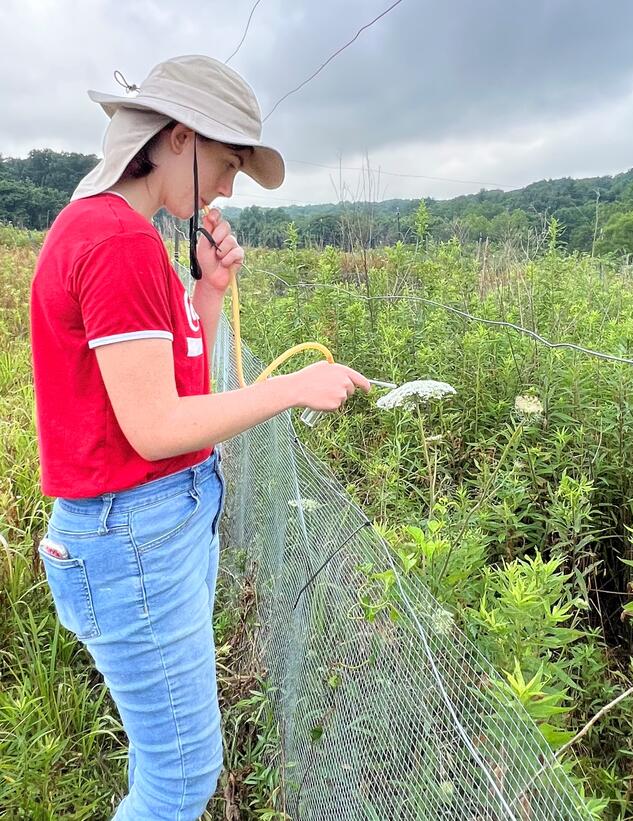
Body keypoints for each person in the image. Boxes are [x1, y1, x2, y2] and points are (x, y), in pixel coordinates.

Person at [29, 54, 370, 821]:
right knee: (180, 780)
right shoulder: (115, 241)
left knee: (178, 765)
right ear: (177, 138)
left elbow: (173, 391)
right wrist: (287, 388)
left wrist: (207, 293)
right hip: (133, 537)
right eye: (225, 163)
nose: (225, 189)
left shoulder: (132, 238)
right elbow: (154, 431)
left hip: (147, 531)